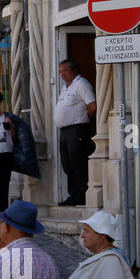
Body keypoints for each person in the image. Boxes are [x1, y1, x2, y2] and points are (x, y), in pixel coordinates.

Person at [55, 59, 97, 206]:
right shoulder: (65, 87)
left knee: (78, 163)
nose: (62, 74)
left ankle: (81, 195)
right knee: (67, 163)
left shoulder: (81, 84)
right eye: (60, 71)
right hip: (65, 131)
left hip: (77, 129)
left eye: (65, 71)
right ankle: (73, 194)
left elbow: (92, 106)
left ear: (74, 70)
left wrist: (82, 119)